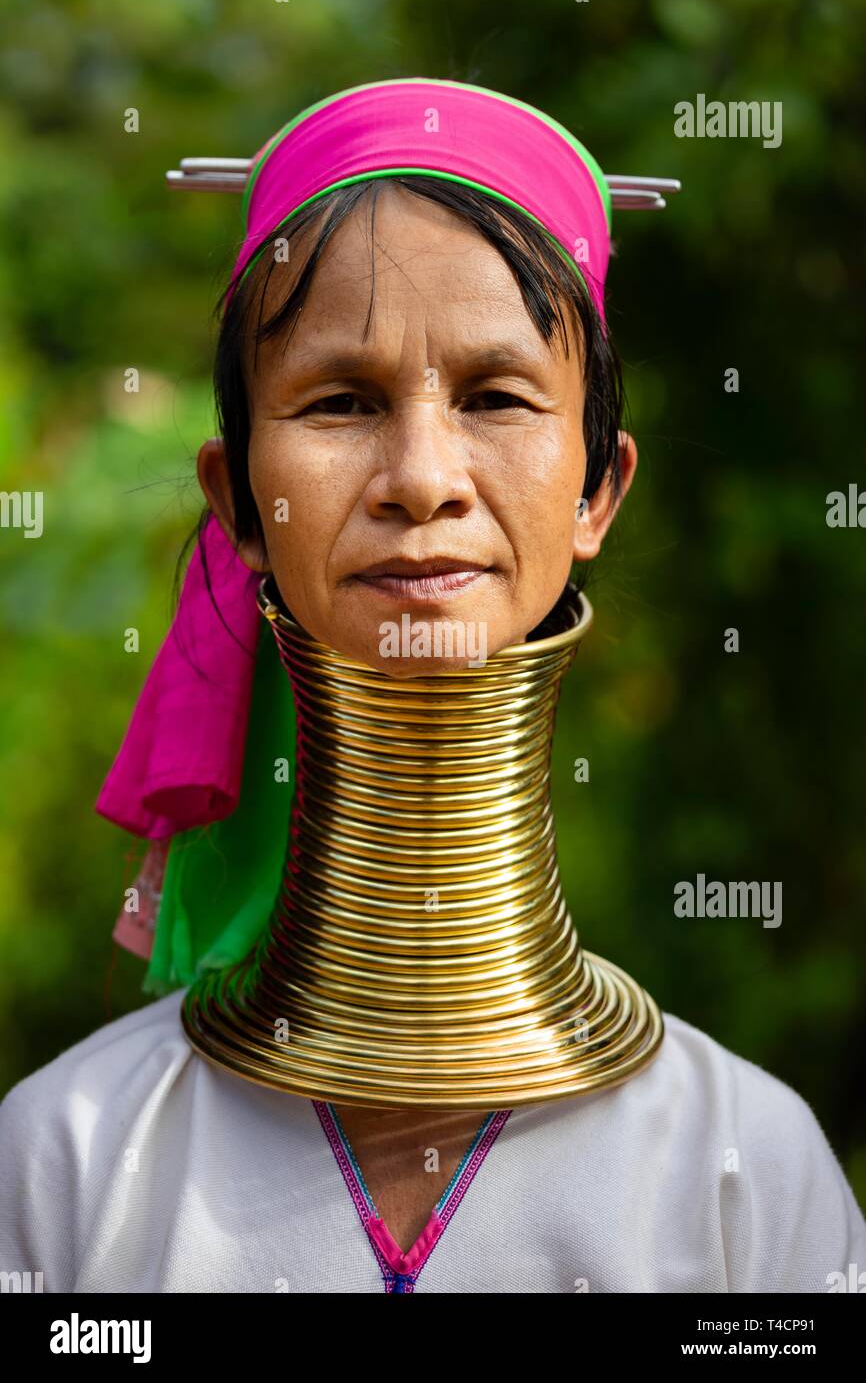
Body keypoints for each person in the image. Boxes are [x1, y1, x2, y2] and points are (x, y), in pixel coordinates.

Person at [1, 78, 864, 1294]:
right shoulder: (69, 1165)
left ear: (596, 491)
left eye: (496, 397)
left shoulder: (743, 1176)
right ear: (237, 500)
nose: (422, 478)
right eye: (341, 401)